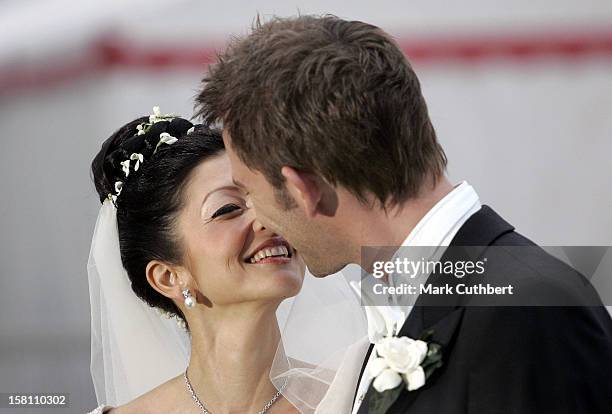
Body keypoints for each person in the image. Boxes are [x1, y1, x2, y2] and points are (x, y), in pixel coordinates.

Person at [196, 15, 612, 413]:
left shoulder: (527, 313)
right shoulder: (420, 301)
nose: (263, 222)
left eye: (251, 192)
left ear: (304, 190)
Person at [86, 109, 305, 413]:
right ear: (167, 277)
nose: (267, 219)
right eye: (228, 208)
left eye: (269, 198)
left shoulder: (355, 399)